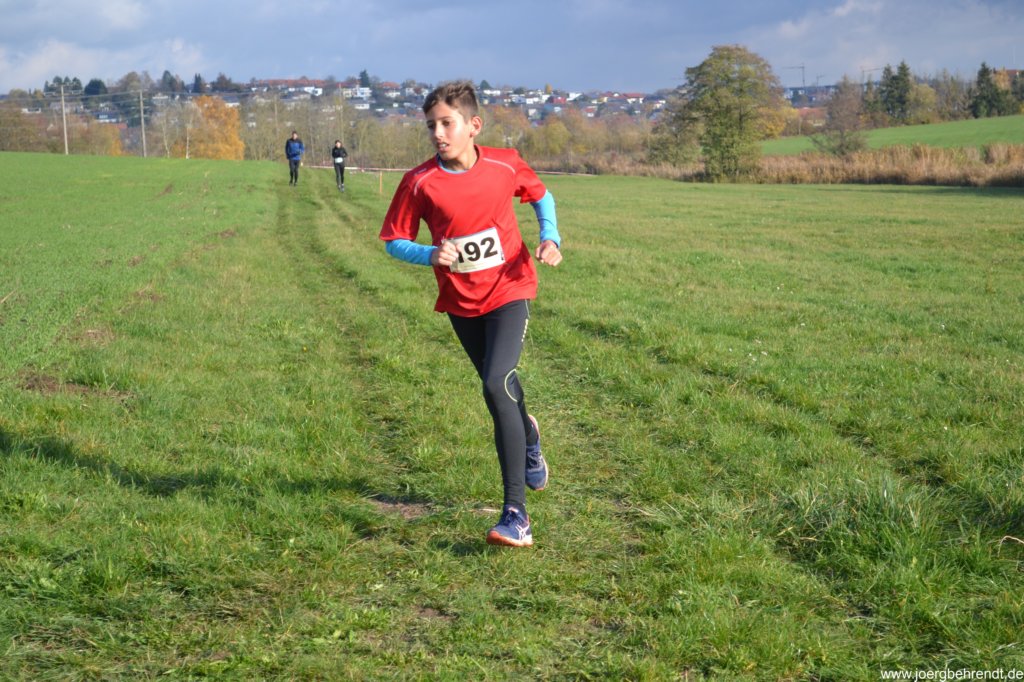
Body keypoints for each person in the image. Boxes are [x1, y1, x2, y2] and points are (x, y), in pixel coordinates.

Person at [379, 81, 563, 548]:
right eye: (431, 126)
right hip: (460, 302)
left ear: (473, 125)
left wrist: (550, 237)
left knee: (495, 383)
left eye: (446, 123)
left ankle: (516, 515)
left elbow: (541, 195)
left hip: (510, 287)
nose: (437, 134)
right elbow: (394, 241)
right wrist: (428, 254)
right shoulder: (419, 181)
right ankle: (529, 436)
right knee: (499, 384)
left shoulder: (504, 164)